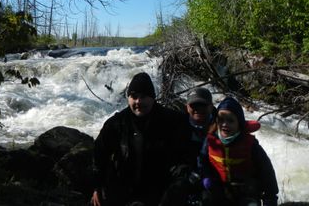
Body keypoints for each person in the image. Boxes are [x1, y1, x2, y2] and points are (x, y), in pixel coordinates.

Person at [91, 72, 188, 206]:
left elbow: (181, 158)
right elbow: (99, 155)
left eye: (143, 97)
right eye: (134, 97)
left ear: (153, 98)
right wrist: (97, 187)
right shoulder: (116, 124)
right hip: (124, 185)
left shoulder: (172, 121)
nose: (138, 102)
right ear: (128, 98)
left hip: (157, 187)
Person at [199, 96, 278, 206]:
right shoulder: (210, 140)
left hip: (246, 192)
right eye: (221, 120)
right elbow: (202, 161)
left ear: (239, 123)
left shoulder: (251, 144)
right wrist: (206, 177)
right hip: (219, 189)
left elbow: (266, 171)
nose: (225, 124)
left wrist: (270, 197)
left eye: (230, 120)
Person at [160, 87, 216, 205]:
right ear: (187, 107)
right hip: (185, 177)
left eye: (203, 105)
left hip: (212, 179)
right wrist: (186, 173)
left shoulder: (222, 126)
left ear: (211, 106)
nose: (198, 109)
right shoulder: (177, 126)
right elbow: (170, 159)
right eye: (194, 105)